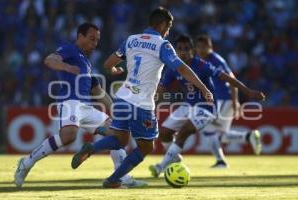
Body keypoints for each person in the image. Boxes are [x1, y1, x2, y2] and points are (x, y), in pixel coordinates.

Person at [70, 7, 213, 188]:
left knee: (120, 140)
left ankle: (92, 148)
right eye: (168, 27)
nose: (168, 31)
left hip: (122, 98)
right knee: (146, 147)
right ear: (162, 25)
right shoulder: (163, 45)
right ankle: (114, 179)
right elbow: (182, 68)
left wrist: (115, 70)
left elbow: (108, 64)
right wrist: (203, 87)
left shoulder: (131, 40)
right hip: (142, 103)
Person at [14, 22, 144, 188]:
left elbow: (98, 92)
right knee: (69, 136)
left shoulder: (87, 64)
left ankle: (121, 177)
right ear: (80, 36)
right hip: (70, 102)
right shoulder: (70, 50)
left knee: (118, 133)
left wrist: (117, 112)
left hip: (86, 108)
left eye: (97, 41)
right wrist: (66, 66)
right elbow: (49, 60)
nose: (94, 44)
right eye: (91, 39)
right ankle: (26, 163)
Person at [149, 35, 265, 177]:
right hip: (188, 106)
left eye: (186, 49)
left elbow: (227, 77)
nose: (183, 52)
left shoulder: (202, 65)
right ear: (175, 51)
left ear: (192, 51)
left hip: (206, 107)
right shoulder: (173, 67)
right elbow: (161, 88)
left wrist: (248, 91)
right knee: (164, 133)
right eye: (179, 49)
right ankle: (176, 158)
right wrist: (150, 104)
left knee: (185, 131)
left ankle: (161, 166)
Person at [195, 34, 262, 168]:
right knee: (221, 135)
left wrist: (235, 101)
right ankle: (248, 137)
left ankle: (221, 161)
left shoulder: (215, 60)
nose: (201, 50)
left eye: (204, 47)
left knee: (207, 128)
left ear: (210, 47)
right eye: (198, 47)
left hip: (224, 100)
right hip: (220, 101)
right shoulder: (203, 61)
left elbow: (231, 79)